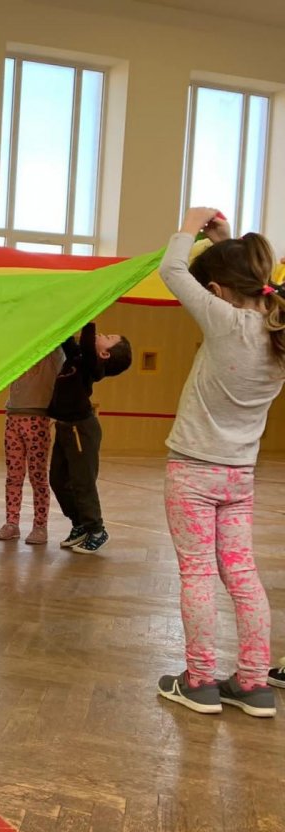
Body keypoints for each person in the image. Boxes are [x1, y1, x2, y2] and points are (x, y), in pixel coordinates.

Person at [155, 208, 283, 718]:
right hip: (239, 477)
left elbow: (171, 270)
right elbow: (247, 284)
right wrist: (224, 242)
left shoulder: (225, 321)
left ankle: (200, 680)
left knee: (197, 573)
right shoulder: (277, 330)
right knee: (242, 574)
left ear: (219, 292)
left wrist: (187, 225)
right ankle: (253, 684)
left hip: (192, 471)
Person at [46, 321, 132, 554]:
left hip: (81, 429)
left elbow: (86, 342)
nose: (101, 334)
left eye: (108, 337)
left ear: (104, 354)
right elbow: (67, 341)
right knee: (57, 480)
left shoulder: (94, 366)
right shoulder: (78, 358)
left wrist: (88, 318)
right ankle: (80, 524)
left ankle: (96, 530)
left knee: (82, 482)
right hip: (65, 427)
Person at [0, 349, 64, 545]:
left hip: (38, 418)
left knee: (38, 476)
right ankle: (11, 523)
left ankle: (40, 526)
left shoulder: (53, 353)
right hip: (13, 416)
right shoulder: (21, 351)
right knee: (13, 476)